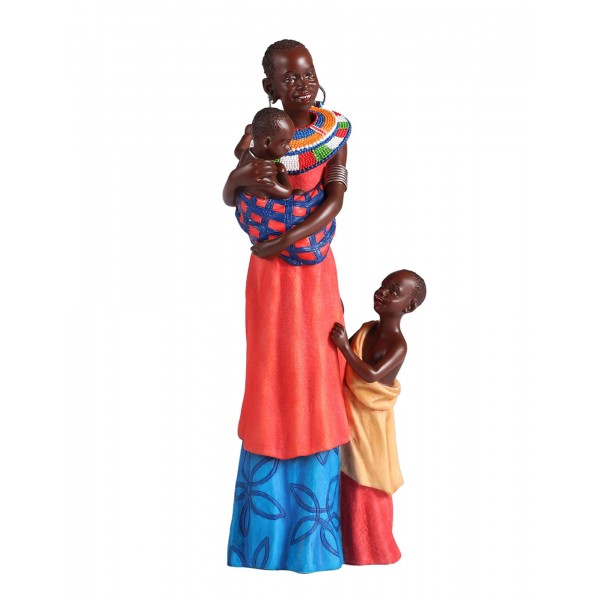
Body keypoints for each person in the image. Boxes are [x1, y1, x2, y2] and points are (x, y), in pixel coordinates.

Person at [223, 40, 351, 573]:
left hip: (312, 270)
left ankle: (314, 533)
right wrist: (240, 181)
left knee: (316, 372)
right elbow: (231, 193)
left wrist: (290, 236)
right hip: (269, 278)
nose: (301, 84)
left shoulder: (334, 132)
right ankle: (265, 534)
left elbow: (335, 199)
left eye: (308, 73)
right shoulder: (260, 133)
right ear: (269, 87)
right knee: (272, 375)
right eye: (289, 77)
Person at [330, 269, 426, 565]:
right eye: (383, 286)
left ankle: (373, 548)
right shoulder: (367, 329)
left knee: (366, 478)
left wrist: (344, 347)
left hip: (372, 425)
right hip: (349, 415)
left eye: (394, 291)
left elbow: (370, 374)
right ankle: (346, 544)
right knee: (345, 479)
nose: (383, 292)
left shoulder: (398, 345)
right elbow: (342, 359)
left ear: (409, 306)